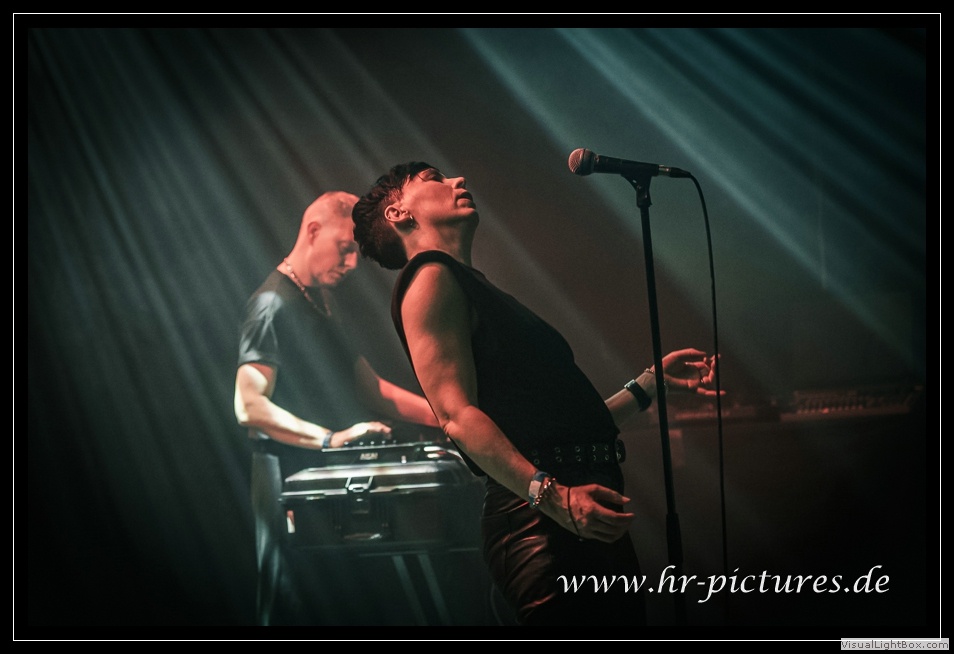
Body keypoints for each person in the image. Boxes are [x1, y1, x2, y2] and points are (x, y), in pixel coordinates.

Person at [351, 162, 722, 626]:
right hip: (542, 524)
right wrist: (552, 496)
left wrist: (649, 386)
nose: (457, 180)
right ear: (398, 213)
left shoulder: (470, 285)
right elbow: (456, 415)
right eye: (434, 180)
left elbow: (564, 425)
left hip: (577, 510)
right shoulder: (429, 275)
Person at [234, 190, 440, 626]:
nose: (351, 264)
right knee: (293, 601)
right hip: (283, 474)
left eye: (355, 254)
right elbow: (249, 406)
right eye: (344, 248)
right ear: (313, 230)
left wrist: (447, 417)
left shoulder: (322, 300)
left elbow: (372, 390)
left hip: (321, 475)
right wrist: (330, 439)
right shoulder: (271, 304)